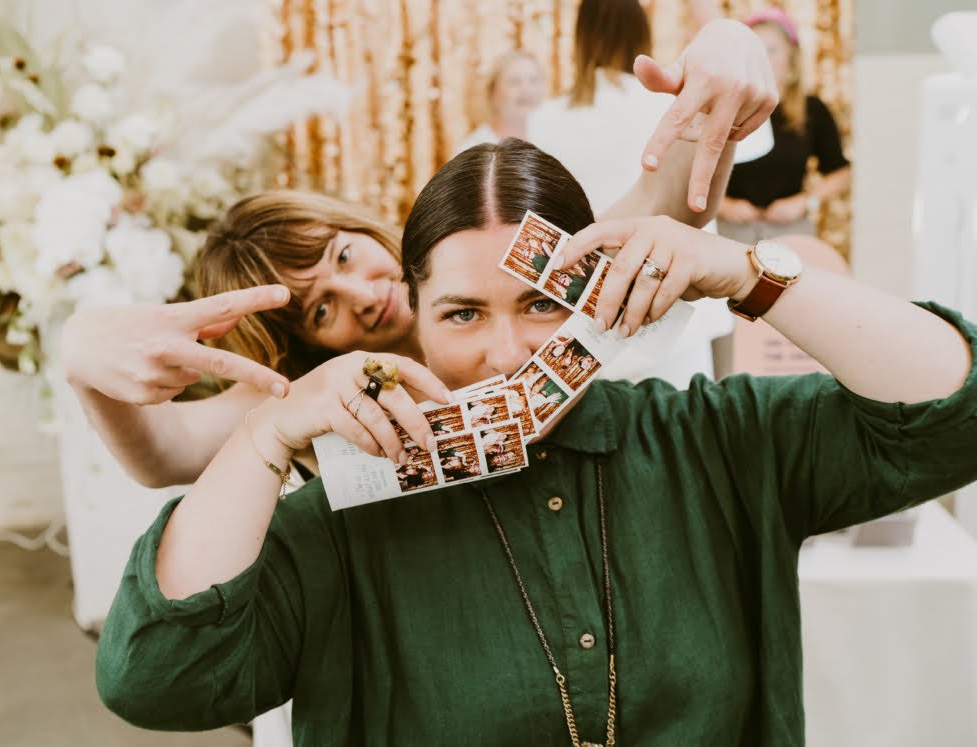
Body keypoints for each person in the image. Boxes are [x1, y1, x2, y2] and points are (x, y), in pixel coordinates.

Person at [96, 137, 977, 744]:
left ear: (593, 298)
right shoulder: (337, 519)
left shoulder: (712, 439)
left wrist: (748, 274)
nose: (507, 352)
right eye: (463, 314)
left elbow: (954, 417)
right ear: (415, 318)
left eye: (542, 304)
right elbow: (153, 675)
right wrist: (262, 436)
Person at [61, 18, 777, 491]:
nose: (363, 294)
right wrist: (82, 355)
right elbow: (165, 455)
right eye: (321, 309)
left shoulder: (501, 260)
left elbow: (666, 204)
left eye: (345, 258)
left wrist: (728, 48)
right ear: (301, 346)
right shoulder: (312, 391)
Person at [528, 0, 751, 388]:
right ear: (642, 33)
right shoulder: (674, 105)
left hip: (594, 310)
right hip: (678, 299)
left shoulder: (546, 119)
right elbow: (752, 139)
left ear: (579, 39)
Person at [717, 8, 852, 245]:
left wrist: (804, 202)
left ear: (791, 57)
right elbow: (691, 172)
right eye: (754, 51)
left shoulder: (812, 110)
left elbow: (842, 173)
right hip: (730, 235)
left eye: (771, 50)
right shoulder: (723, 107)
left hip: (792, 235)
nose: (762, 59)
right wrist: (723, 205)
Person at [456, 50, 546, 154]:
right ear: (492, 91)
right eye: (514, 82)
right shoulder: (472, 150)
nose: (526, 89)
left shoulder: (550, 136)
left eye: (533, 80)